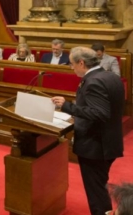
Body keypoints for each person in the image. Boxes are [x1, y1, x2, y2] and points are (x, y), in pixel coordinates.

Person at [50, 47, 124, 215]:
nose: (71, 67)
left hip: (95, 147)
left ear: (81, 63)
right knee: (99, 187)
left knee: (96, 192)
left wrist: (67, 106)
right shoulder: (110, 76)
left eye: (72, 64)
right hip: (109, 142)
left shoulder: (93, 81)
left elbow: (100, 113)